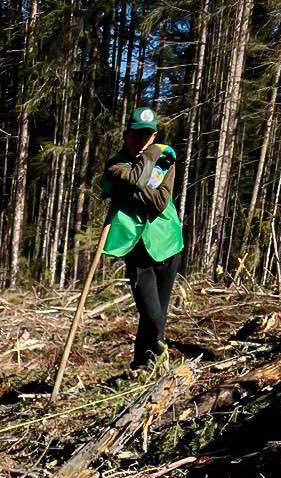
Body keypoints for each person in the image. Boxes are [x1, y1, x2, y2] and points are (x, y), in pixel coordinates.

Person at [101, 106, 184, 370]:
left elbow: (160, 202)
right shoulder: (115, 164)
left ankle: (142, 364)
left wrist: (129, 189)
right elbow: (126, 182)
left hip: (168, 245)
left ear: (154, 135)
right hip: (138, 251)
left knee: (157, 313)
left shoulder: (165, 160)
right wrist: (145, 168)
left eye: (148, 136)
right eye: (136, 135)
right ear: (126, 135)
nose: (141, 141)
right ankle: (158, 359)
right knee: (152, 314)